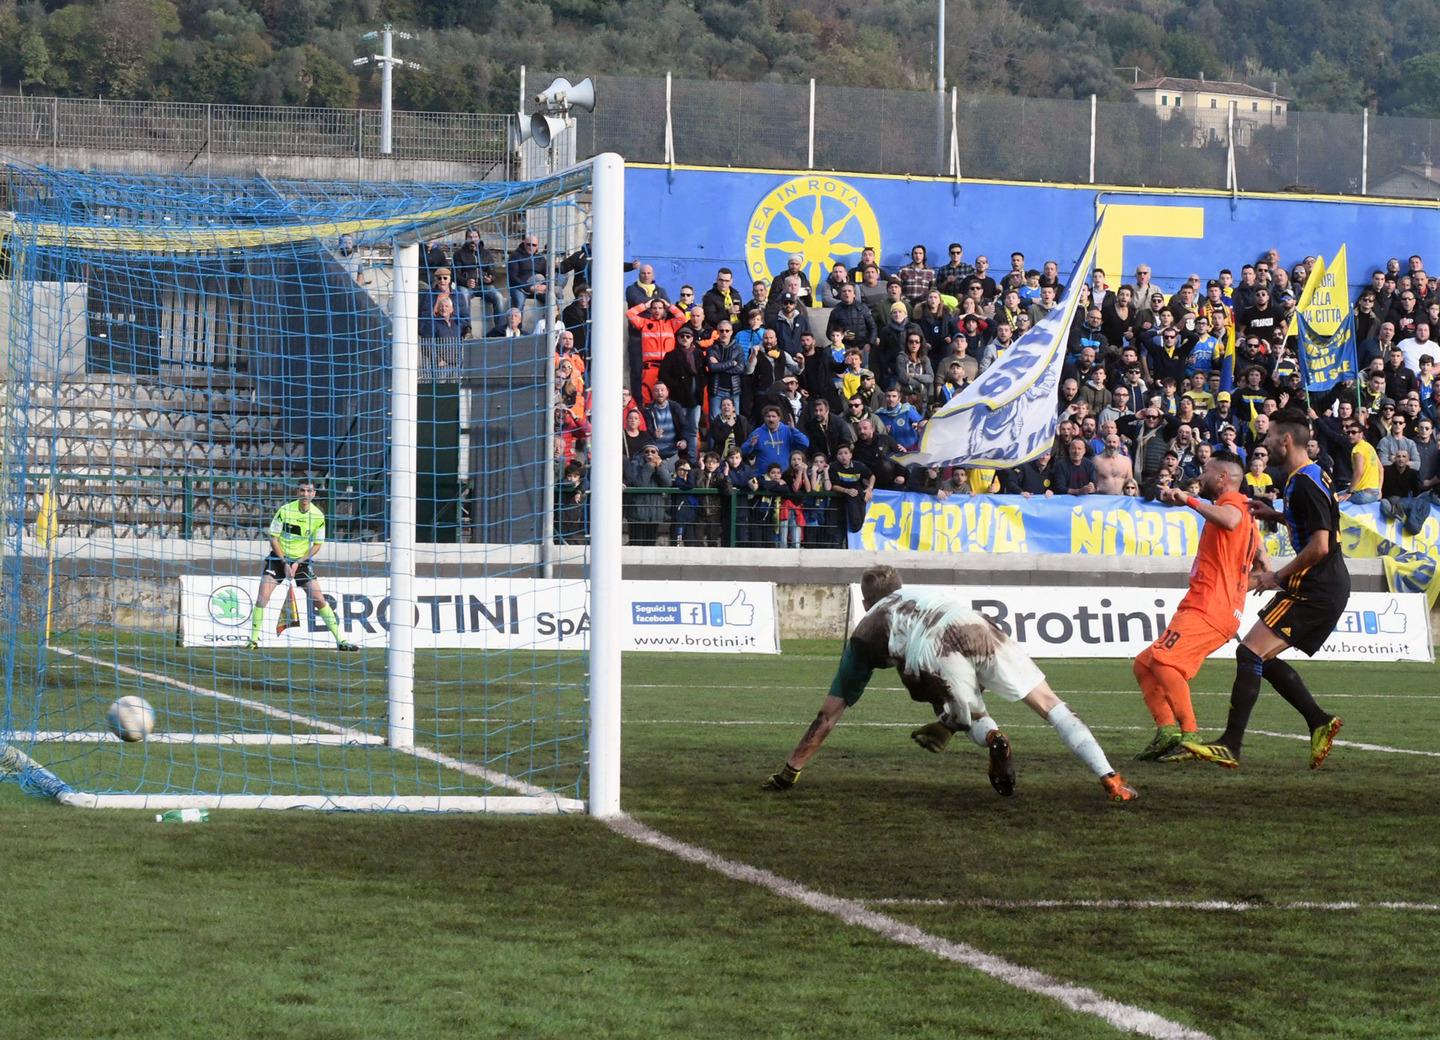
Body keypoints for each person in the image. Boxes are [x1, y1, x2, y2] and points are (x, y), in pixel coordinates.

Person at [761, 566, 1138, 802]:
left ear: (865, 600)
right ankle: (1110, 777)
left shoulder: (866, 628)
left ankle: (979, 731)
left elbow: (827, 716)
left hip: (929, 651)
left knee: (963, 708)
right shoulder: (923, 593)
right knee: (1050, 703)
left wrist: (790, 771)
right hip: (975, 625)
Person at [1184, 409, 1346, 770]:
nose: (1266, 442)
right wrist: (1274, 515)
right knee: (1260, 656)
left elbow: (1320, 545)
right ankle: (1319, 720)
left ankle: (1231, 744)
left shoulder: (1304, 480)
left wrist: (1277, 576)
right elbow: (1317, 522)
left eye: (1270, 436)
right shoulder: (1305, 477)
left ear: (1286, 440)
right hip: (1318, 585)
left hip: (1315, 587)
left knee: (1250, 654)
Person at [1131, 452, 1262, 761]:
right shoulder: (1248, 516)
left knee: (1163, 660)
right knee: (1145, 663)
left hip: (1208, 607)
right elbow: (1262, 565)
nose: (1201, 476)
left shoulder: (1233, 505)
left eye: (1206, 471)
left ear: (1222, 478)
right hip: (1216, 607)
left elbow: (1229, 521)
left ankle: (1189, 734)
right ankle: (1167, 730)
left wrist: (1189, 500)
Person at [247, 479, 357, 651]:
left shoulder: (318, 516)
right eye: (302, 490)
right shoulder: (285, 510)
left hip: (301, 562)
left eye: (309, 491)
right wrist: (284, 562)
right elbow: (273, 537)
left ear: (314, 494)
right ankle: (253, 640)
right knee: (262, 597)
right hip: (278, 559)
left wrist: (298, 562)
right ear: (297, 492)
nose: (305, 494)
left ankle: (341, 640)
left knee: (319, 599)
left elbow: (317, 545)